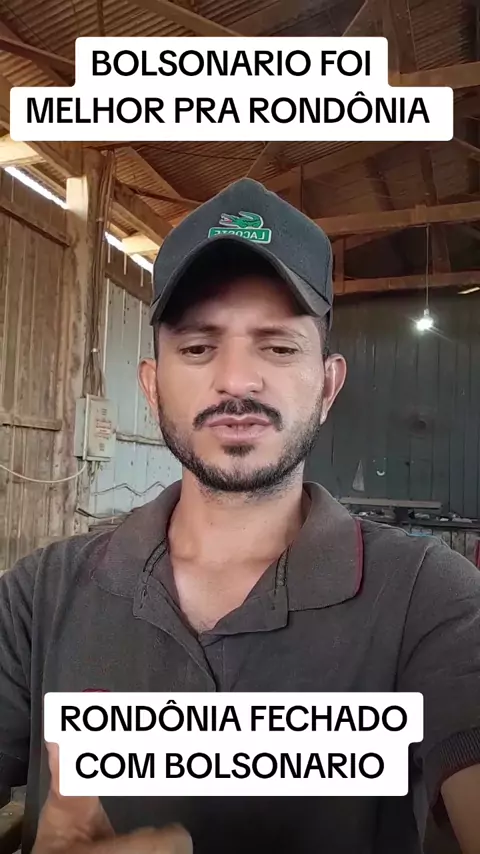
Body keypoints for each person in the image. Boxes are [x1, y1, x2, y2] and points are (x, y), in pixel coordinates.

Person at [0, 177, 479, 854]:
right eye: (198, 348)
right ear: (152, 386)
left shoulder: (430, 597)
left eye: (278, 347)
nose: (236, 380)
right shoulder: (37, 599)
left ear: (328, 386)